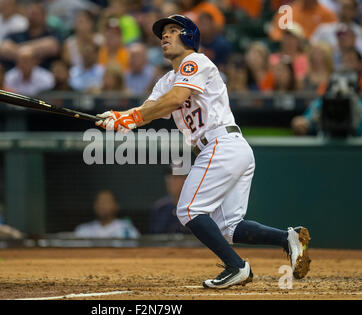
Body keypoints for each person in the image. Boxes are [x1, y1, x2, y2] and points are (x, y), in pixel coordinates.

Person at [95, 14, 311, 289]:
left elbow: (174, 100)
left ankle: (237, 267)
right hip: (226, 149)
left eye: (173, 30)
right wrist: (116, 118)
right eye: (164, 32)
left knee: (187, 210)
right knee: (229, 228)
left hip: (221, 145)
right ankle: (287, 238)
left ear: (189, 36)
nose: (165, 36)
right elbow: (148, 112)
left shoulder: (196, 62)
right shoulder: (165, 81)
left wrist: (130, 118)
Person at [74, 190, 140, 239]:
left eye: (106, 202)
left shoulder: (127, 230)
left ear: (116, 206)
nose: (101, 205)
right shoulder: (83, 230)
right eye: (99, 202)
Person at [148, 165, 190, 234]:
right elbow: (153, 237)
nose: (170, 181)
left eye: (176, 177)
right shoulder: (160, 208)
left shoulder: (197, 207)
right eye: (168, 177)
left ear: (187, 180)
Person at [269, 0, 337, 42]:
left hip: (316, 52)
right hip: (293, 50)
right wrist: (289, 40)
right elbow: (275, 33)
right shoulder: (289, 11)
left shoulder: (327, 14)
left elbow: (334, 37)